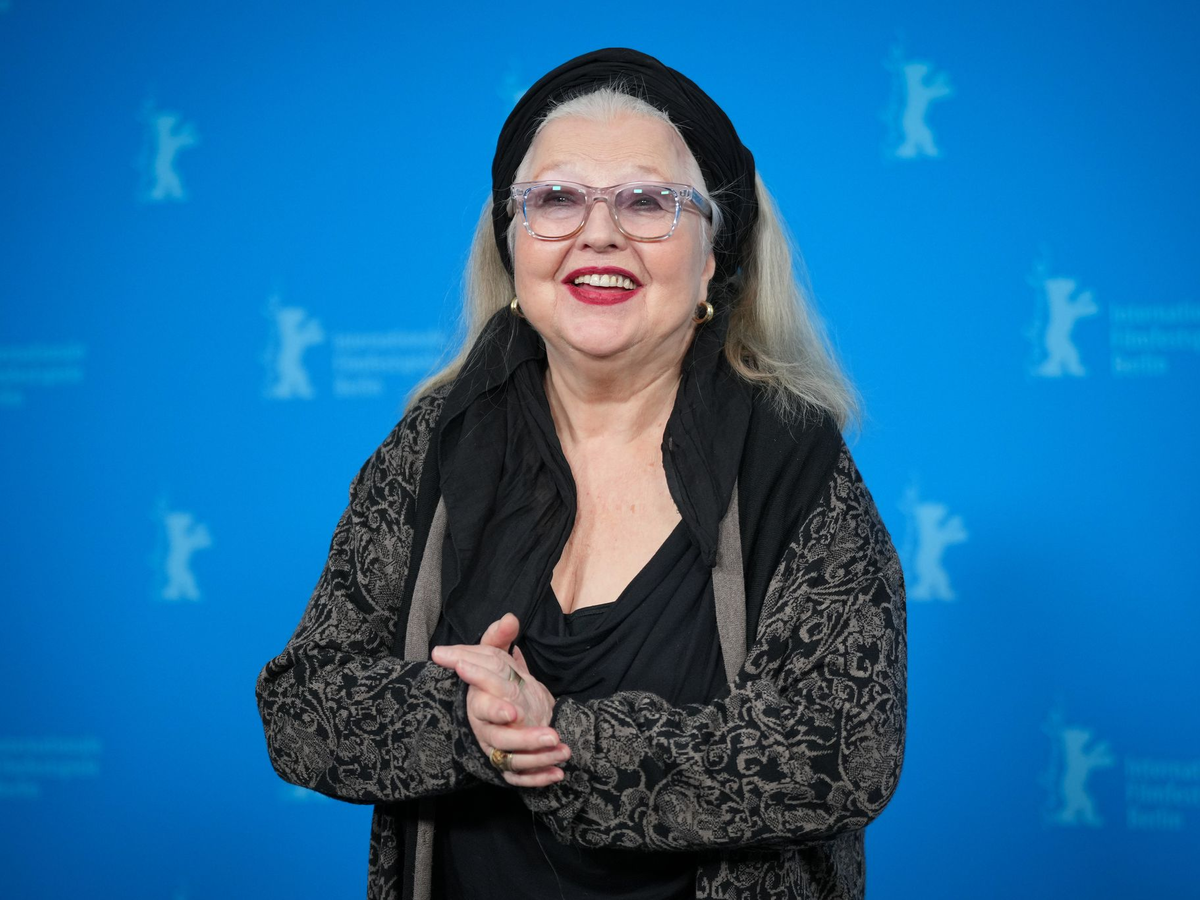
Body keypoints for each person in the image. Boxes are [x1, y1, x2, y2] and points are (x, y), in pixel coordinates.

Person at [255, 47, 906, 900]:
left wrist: (558, 736)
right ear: (512, 244)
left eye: (647, 201)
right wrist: (468, 720)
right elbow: (303, 709)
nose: (599, 233)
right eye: (557, 198)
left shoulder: (790, 454)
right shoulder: (436, 443)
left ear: (713, 253)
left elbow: (843, 753)